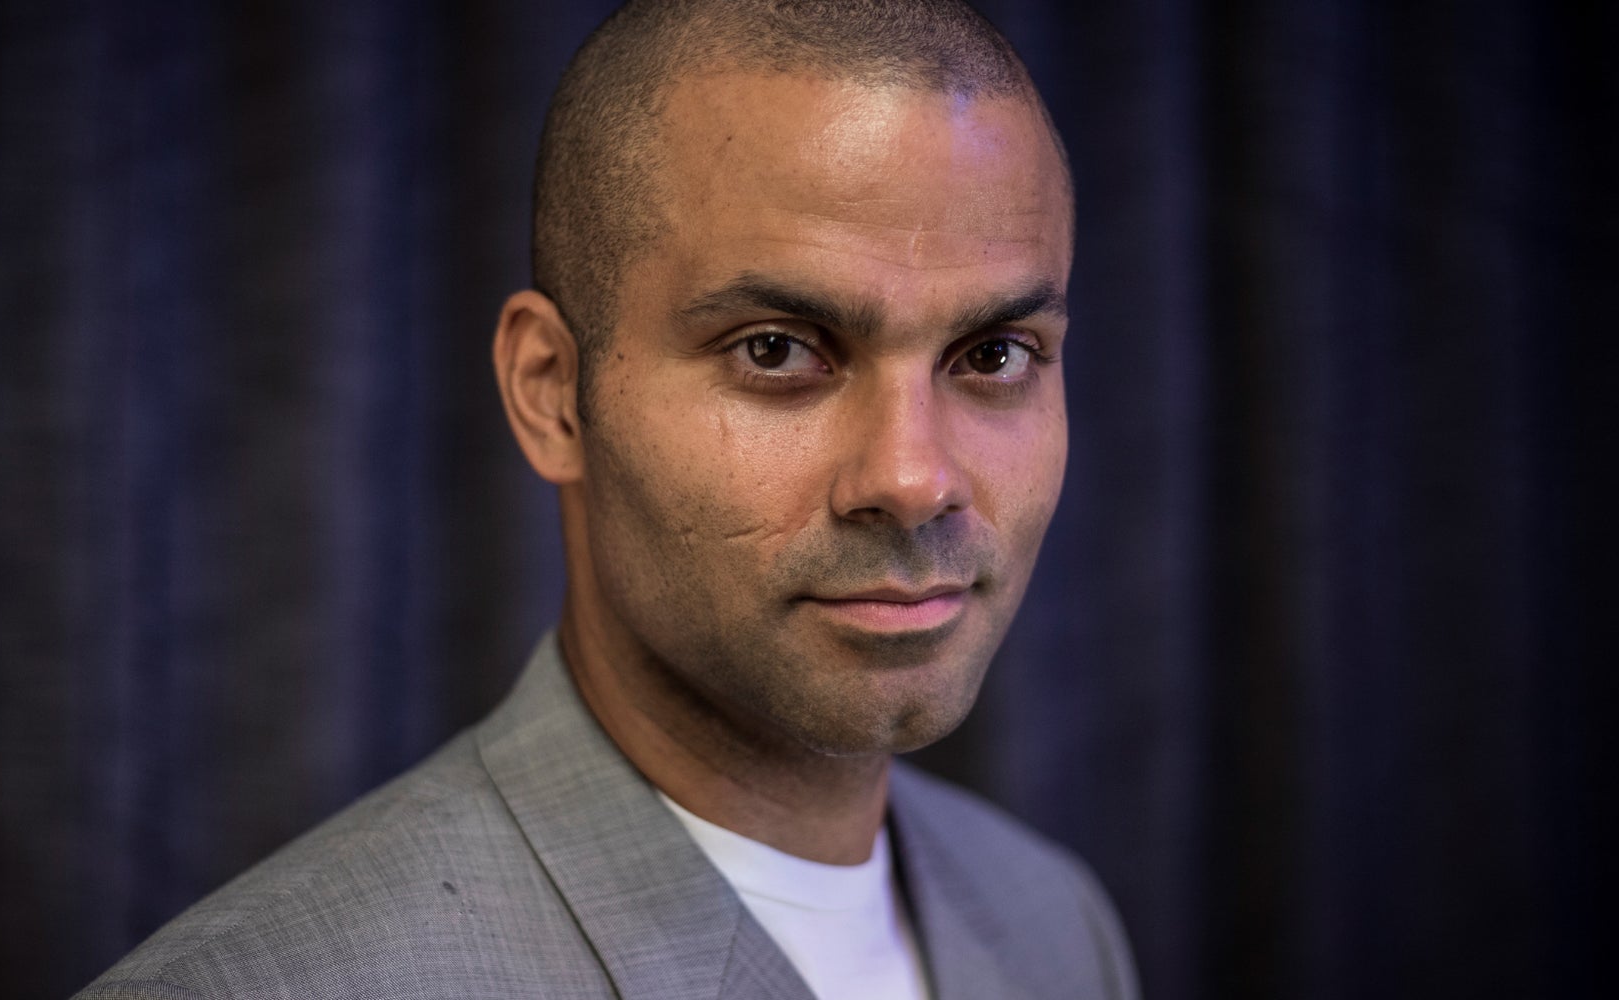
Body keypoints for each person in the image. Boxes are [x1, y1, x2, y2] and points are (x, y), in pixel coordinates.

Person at [78, 1, 1137, 997]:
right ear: (549, 393)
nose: (913, 480)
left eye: (994, 352)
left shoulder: (1054, 922)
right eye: (776, 350)